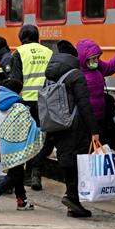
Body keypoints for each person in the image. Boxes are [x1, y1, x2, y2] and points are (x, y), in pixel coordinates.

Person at [45, 40, 100, 218]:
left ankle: (72, 202)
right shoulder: (76, 75)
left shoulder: (51, 72)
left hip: (56, 123)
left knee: (66, 158)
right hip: (74, 126)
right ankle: (72, 198)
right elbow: (84, 104)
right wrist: (94, 130)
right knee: (77, 161)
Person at [1, 24, 53, 191]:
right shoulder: (48, 52)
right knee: (41, 138)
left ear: (21, 37)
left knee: (24, 139)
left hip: (26, 102)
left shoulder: (19, 53)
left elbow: (16, 81)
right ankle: (35, 174)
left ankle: (20, 176)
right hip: (45, 102)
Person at [0, 86, 43, 213]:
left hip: (7, 148)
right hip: (19, 147)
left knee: (17, 172)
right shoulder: (20, 108)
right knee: (16, 174)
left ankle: (22, 201)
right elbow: (30, 127)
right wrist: (41, 132)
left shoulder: (3, 108)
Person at [77, 39, 115, 139]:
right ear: (84, 59)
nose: (95, 61)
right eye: (92, 59)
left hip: (102, 118)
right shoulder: (77, 74)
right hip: (88, 121)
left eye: (97, 58)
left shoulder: (97, 66)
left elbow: (111, 66)